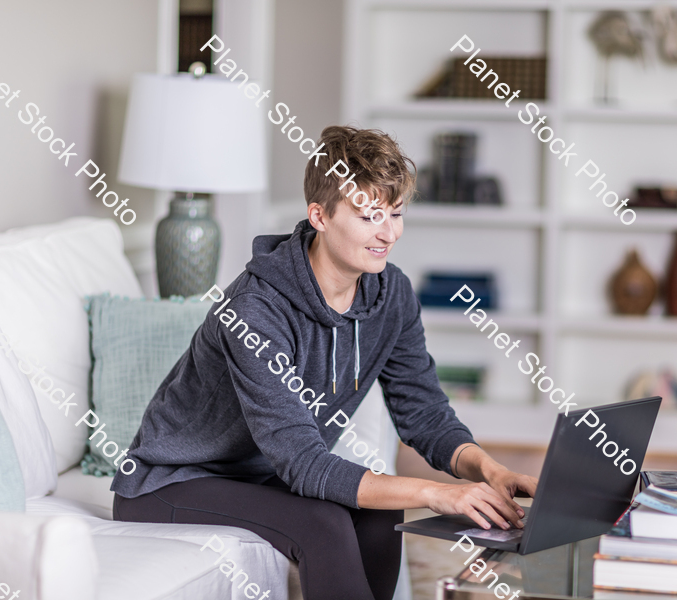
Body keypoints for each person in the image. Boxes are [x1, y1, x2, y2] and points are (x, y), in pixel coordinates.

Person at [111, 125, 538, 600]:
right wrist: (434, 492)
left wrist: (489, 469)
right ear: (320, 215)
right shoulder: (255, 310)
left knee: (379, 512)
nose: (389, 232)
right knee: (324, 522)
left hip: (262, 474)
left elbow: (424, 413)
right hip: (174, 480)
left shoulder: (390, 292)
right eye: (370, 215)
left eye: (396, 213)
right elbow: (303, 464)